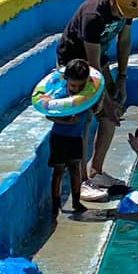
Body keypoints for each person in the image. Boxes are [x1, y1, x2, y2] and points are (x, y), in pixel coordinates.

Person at [59, 0, 138, 188]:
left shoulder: (127, 7)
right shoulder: (93, 16)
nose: (125, 16)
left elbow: (124, 42)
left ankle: (96, 172)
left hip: (99, 60)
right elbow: (92, 64)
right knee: (86, 118)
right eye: (122, 12)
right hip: (76, 66)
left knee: (109, 117)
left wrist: (122, 78)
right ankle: (82, 181)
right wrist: (105, 100)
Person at [46, 57, 94, 215]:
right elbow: (49, 115)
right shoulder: (60, 96)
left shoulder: (87, 94)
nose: (77, 89)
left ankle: (76, 202)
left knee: (75, 169)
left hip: (75, 137)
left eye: (80, 86)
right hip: (59, 137)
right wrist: (65, 121)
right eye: (73, 85)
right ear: (66, 80)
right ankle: (55, 205)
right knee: (59, 171)